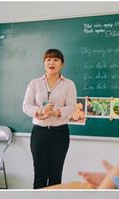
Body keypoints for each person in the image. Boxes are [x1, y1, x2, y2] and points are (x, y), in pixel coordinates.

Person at [22, 49, 77, 188]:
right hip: (39, 133)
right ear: (44, 63)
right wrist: (40, 110)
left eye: (56, 59)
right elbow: (26, 106)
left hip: (60, 133)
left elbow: (71, 107)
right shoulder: (34, 83)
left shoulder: (68, 84)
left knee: (56, 175)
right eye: (48, 59)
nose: (51, 62)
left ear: (62, 64)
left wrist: (56, 112)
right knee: (39, 175)